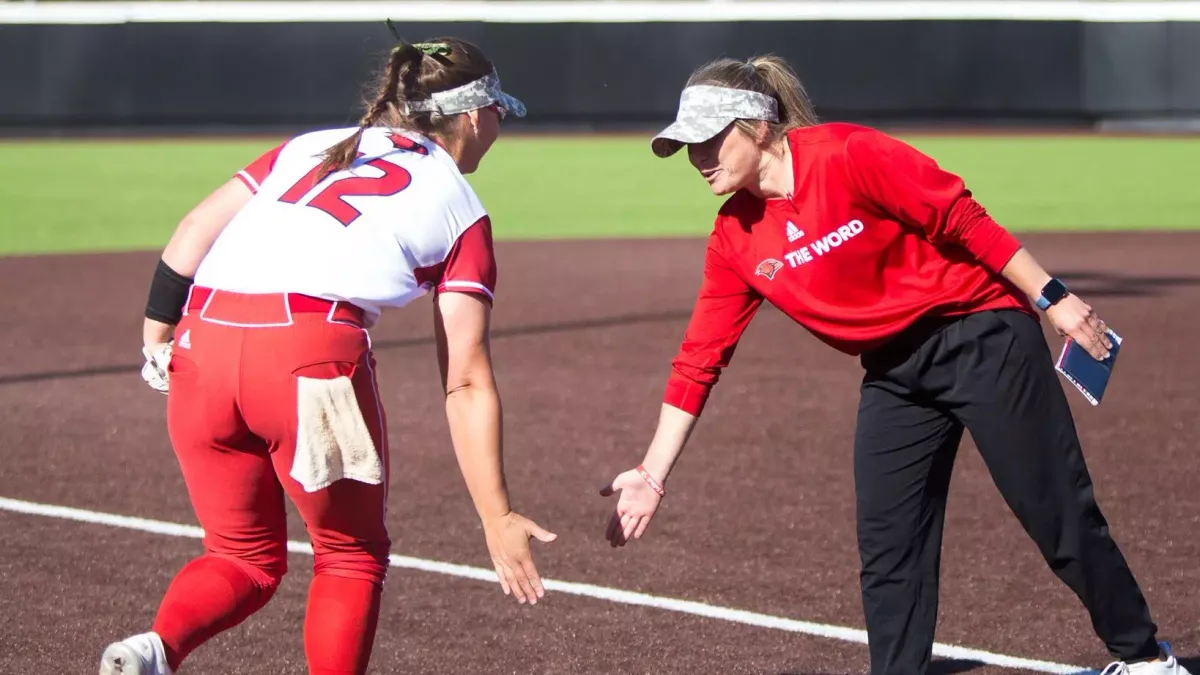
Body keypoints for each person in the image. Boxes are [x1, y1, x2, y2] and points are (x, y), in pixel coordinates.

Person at [598, 54, 1190, 675]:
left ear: (760, 127)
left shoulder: (848, 154)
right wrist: (652, 473)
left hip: (982, 334)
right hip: (895, 372)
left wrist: (1054, 299)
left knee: (1055, 512)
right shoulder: (734, 238)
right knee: (890, 543)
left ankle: (1146, 658)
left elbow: (960, 216)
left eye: (710, 140)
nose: (698, 158)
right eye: (687, 147)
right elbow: (699, 359)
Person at [99, 35, 556, 675]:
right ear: (475, 115)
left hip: (200, 343)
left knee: (240, 556)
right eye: (498, 114)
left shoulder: (307, 145)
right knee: (349, 554)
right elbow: (467, 382)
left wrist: (156, 337)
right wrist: (496, 514)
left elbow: (193, 231)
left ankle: (154, 650)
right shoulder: (460, 204)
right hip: (307, 357)